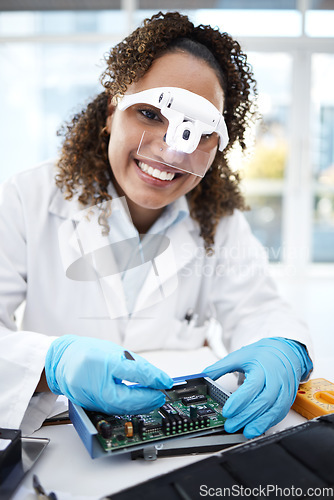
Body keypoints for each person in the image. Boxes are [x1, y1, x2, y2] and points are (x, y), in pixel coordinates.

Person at [0, 11, 313, 439]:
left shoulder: (217, 220)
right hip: (59, 435)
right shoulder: (26, 198)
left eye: (199, 133)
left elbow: (259, 307)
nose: (170, 150)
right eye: (148, 113)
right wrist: (47, 364)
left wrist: (284, 348)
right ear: (112, 112)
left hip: (185, 434)